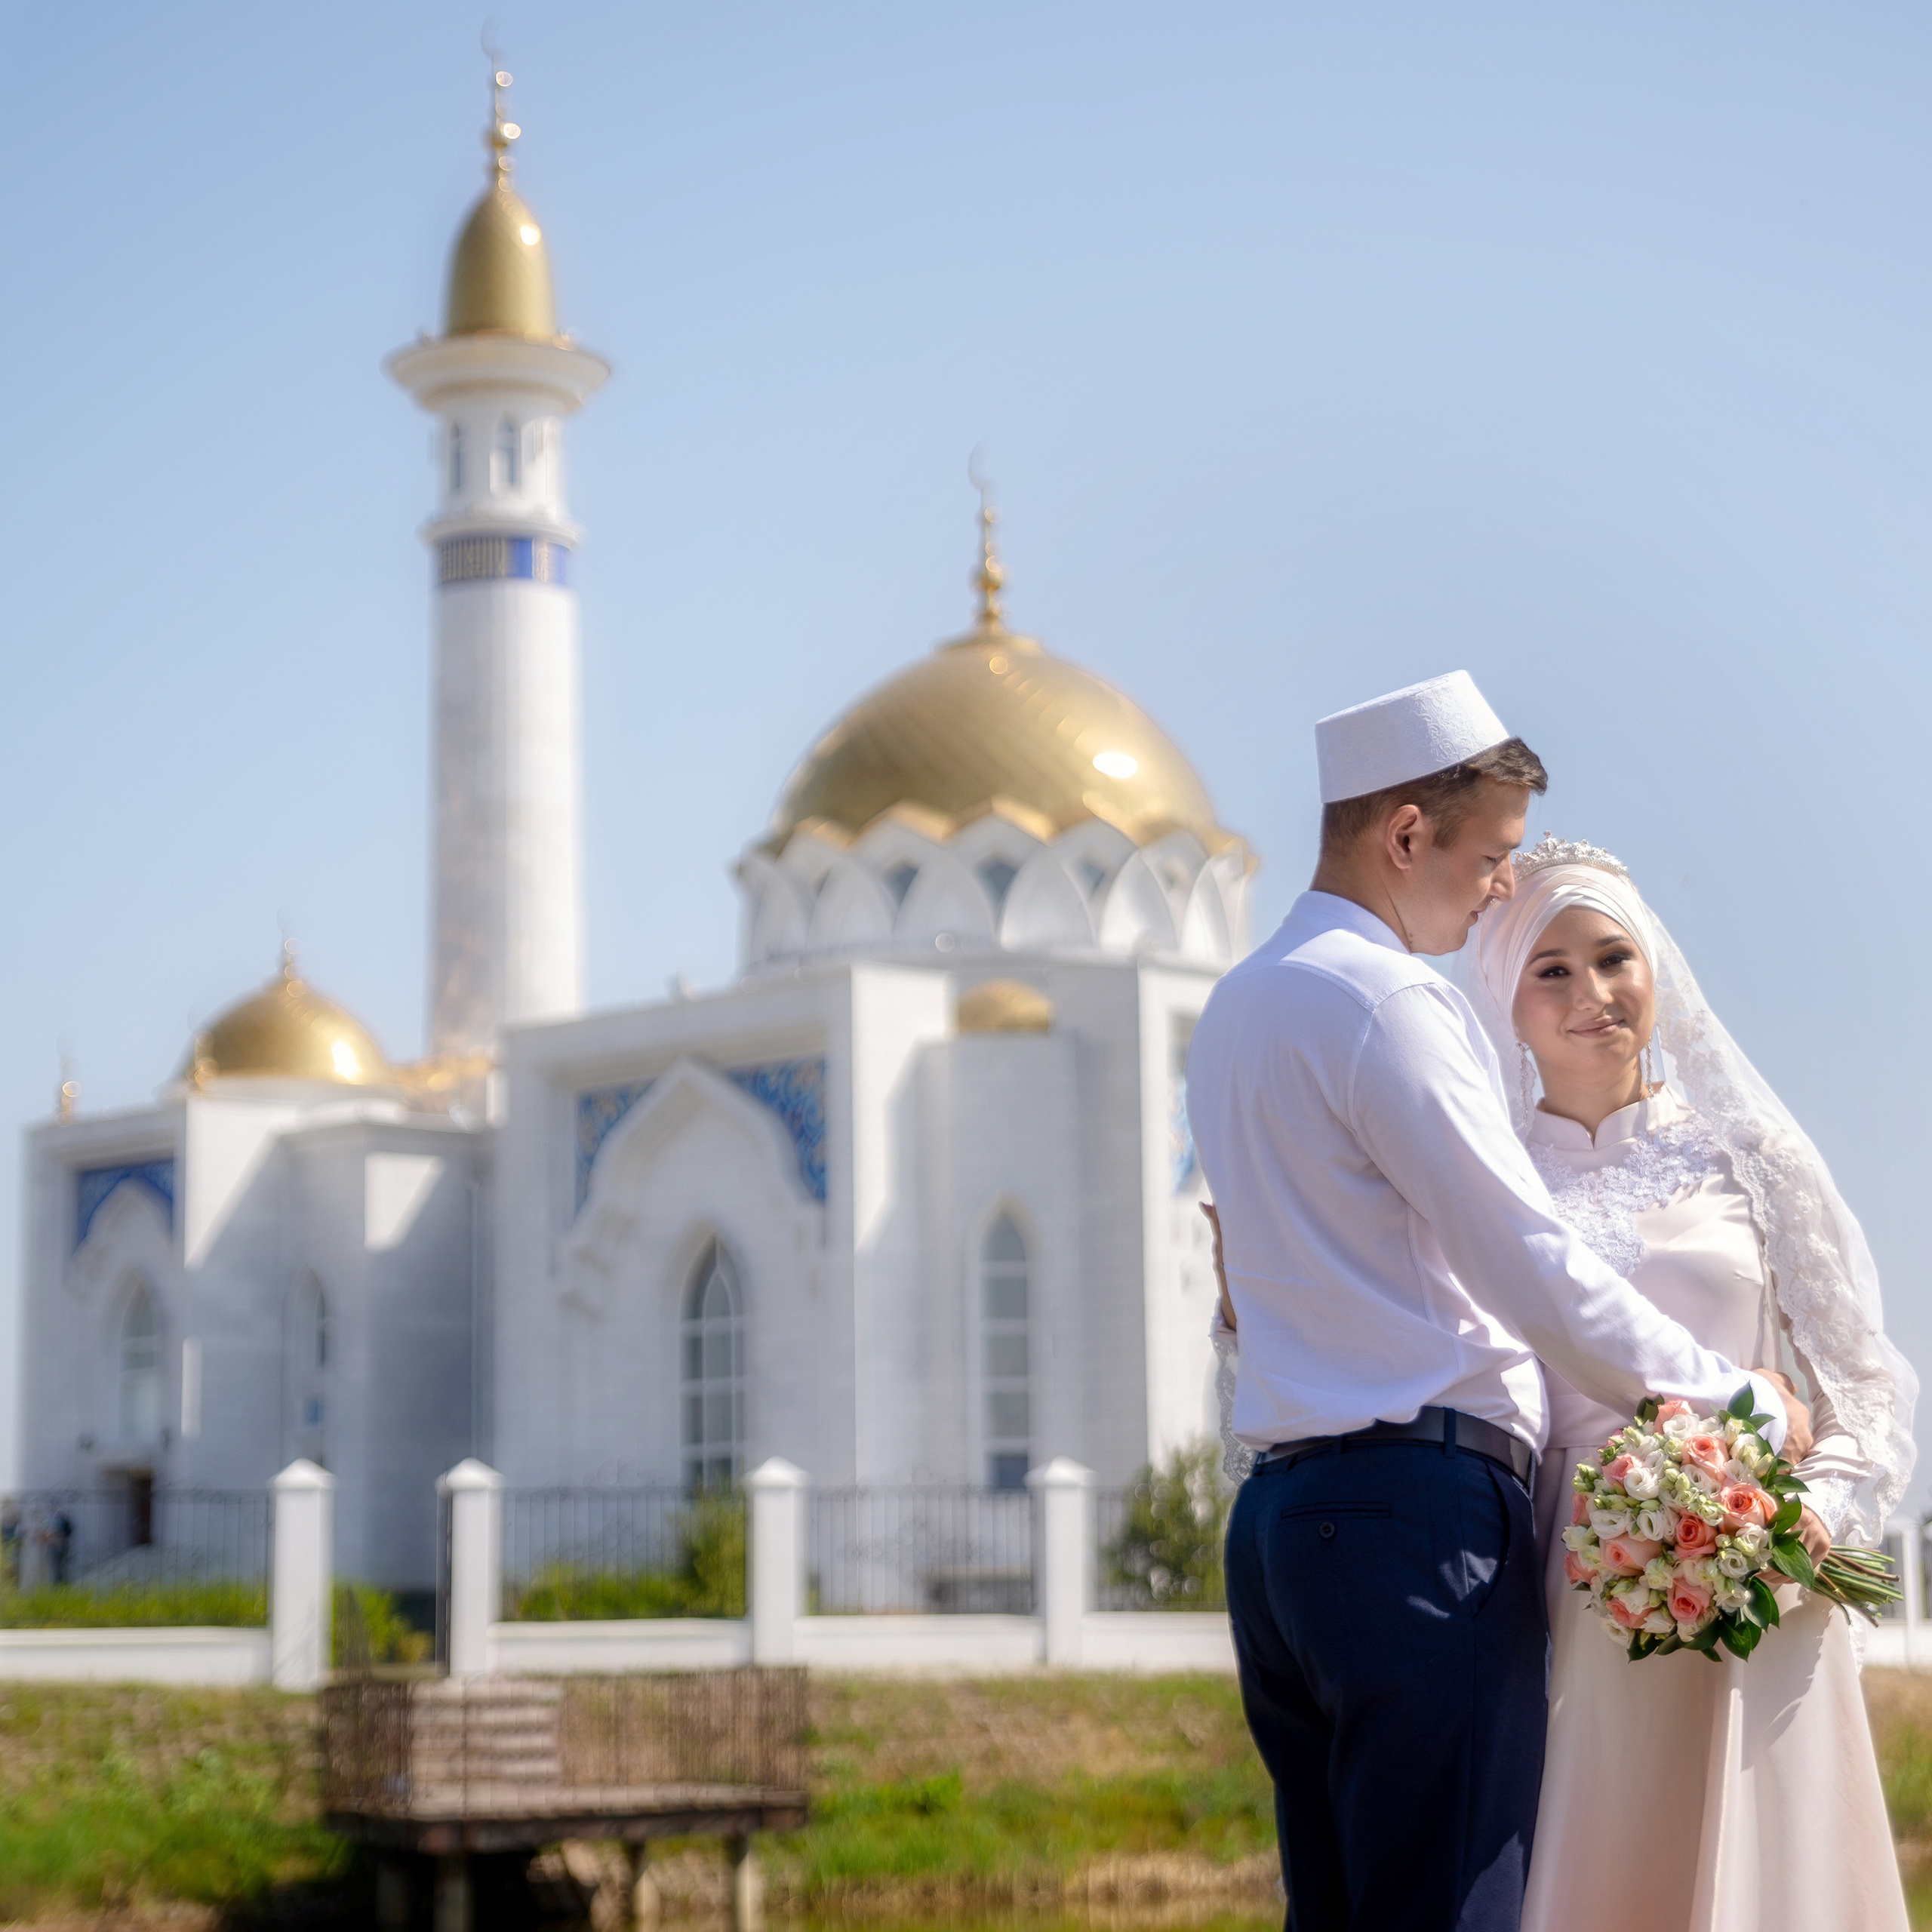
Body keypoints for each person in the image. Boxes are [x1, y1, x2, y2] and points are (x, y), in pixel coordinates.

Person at [1185, 670, 1810, 1932]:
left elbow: (1244, 1292)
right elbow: (1529, 1266)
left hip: (1279, 1529)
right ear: (1406, 834)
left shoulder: (1238, 1005)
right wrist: (1738, 1399)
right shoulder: (1391, 1004)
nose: (1494, 899)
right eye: (1489, 859)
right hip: (1416, 1522)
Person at [1463, 835, 1914, 1932]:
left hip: (1758, 1580)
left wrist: (1801, 1523)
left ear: (1657, 968)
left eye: (1616, 958)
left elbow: (1865, 1381)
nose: (1594, 995)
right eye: (1552, 970)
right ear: (1504, 999)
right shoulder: (1480, 1173)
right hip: (1568, 1587)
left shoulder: (1748, 1154)